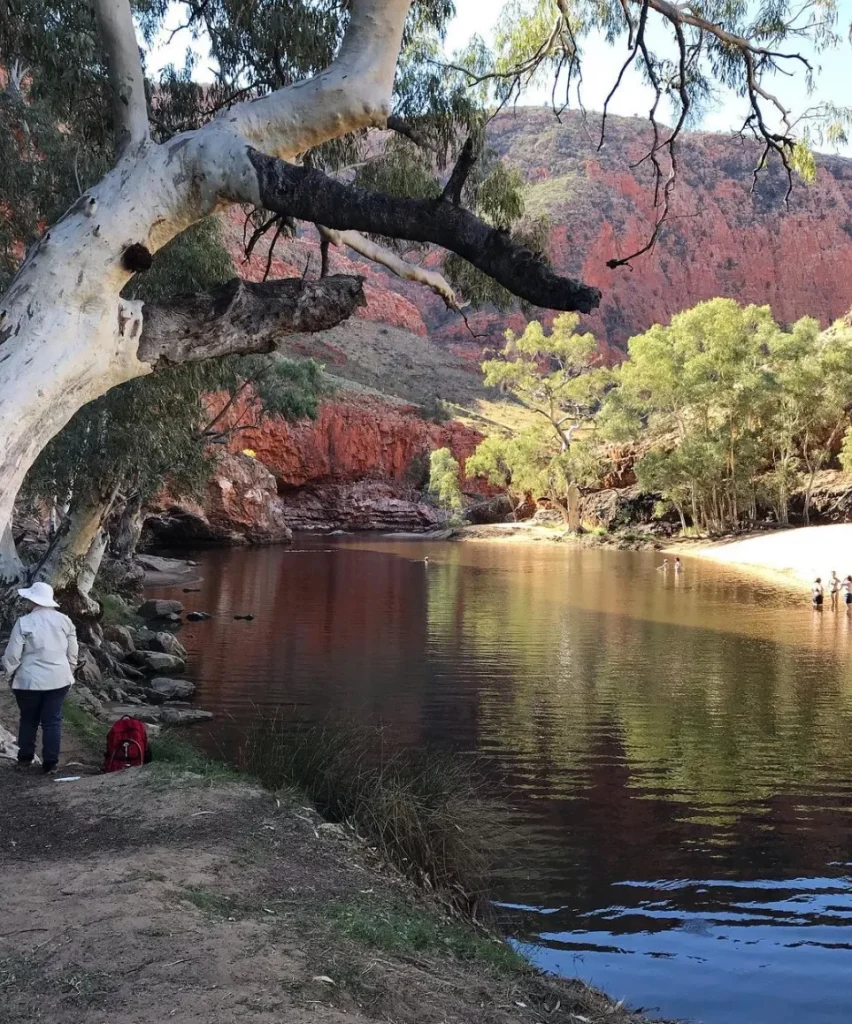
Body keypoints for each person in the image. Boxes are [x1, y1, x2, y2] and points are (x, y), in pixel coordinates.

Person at [2, 582, 78, 774]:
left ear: (33, 600)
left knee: (28, 719)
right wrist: (69, 670)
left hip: (28, 680)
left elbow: (12, 655)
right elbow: (72, 652)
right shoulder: (65, 621)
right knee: (52, 721)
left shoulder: (24, 622)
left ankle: (25, 759)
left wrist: (10, 675)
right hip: (58, 679)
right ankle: (50, 763)